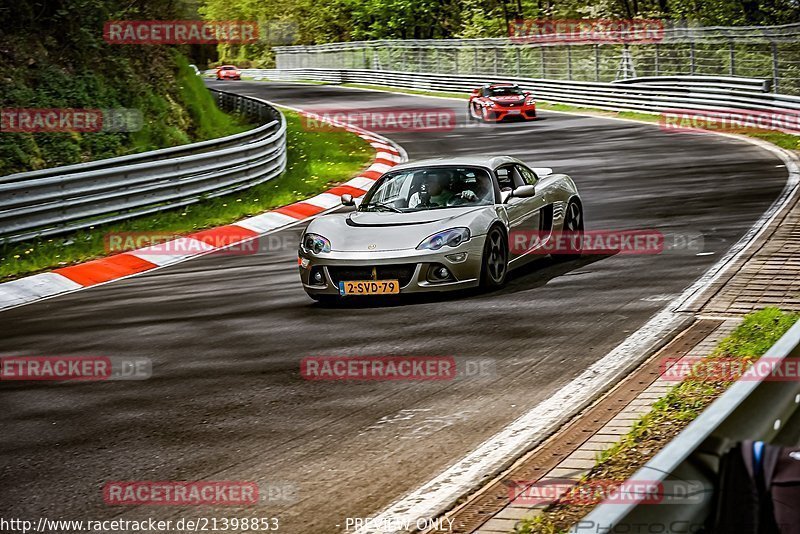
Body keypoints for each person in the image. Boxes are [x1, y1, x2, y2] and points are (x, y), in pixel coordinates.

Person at [408, 170, 477, 208]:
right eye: (426, 182)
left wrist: (473, 199)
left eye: (431, 182)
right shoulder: (415, 197)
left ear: (440, 184)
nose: (426, 185)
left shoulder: (453, 197)